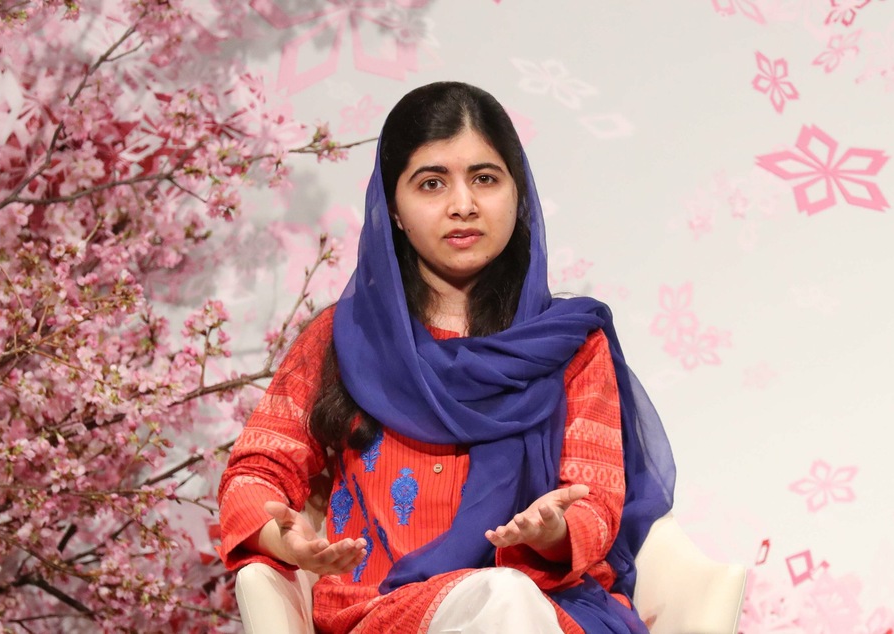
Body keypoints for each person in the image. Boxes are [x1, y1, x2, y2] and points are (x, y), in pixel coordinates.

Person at [218, 81, 675, 634]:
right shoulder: (343, 337)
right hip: (384, 611)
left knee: (509, 598)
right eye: (432, 183)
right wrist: (280, 537)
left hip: (545, 607)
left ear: (518, 192)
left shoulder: (570, 344)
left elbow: (597, 503)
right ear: (394, 208)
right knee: (505, 600)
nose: (463, 205)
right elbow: (257, 470)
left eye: (485, 178)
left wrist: (551, 531)